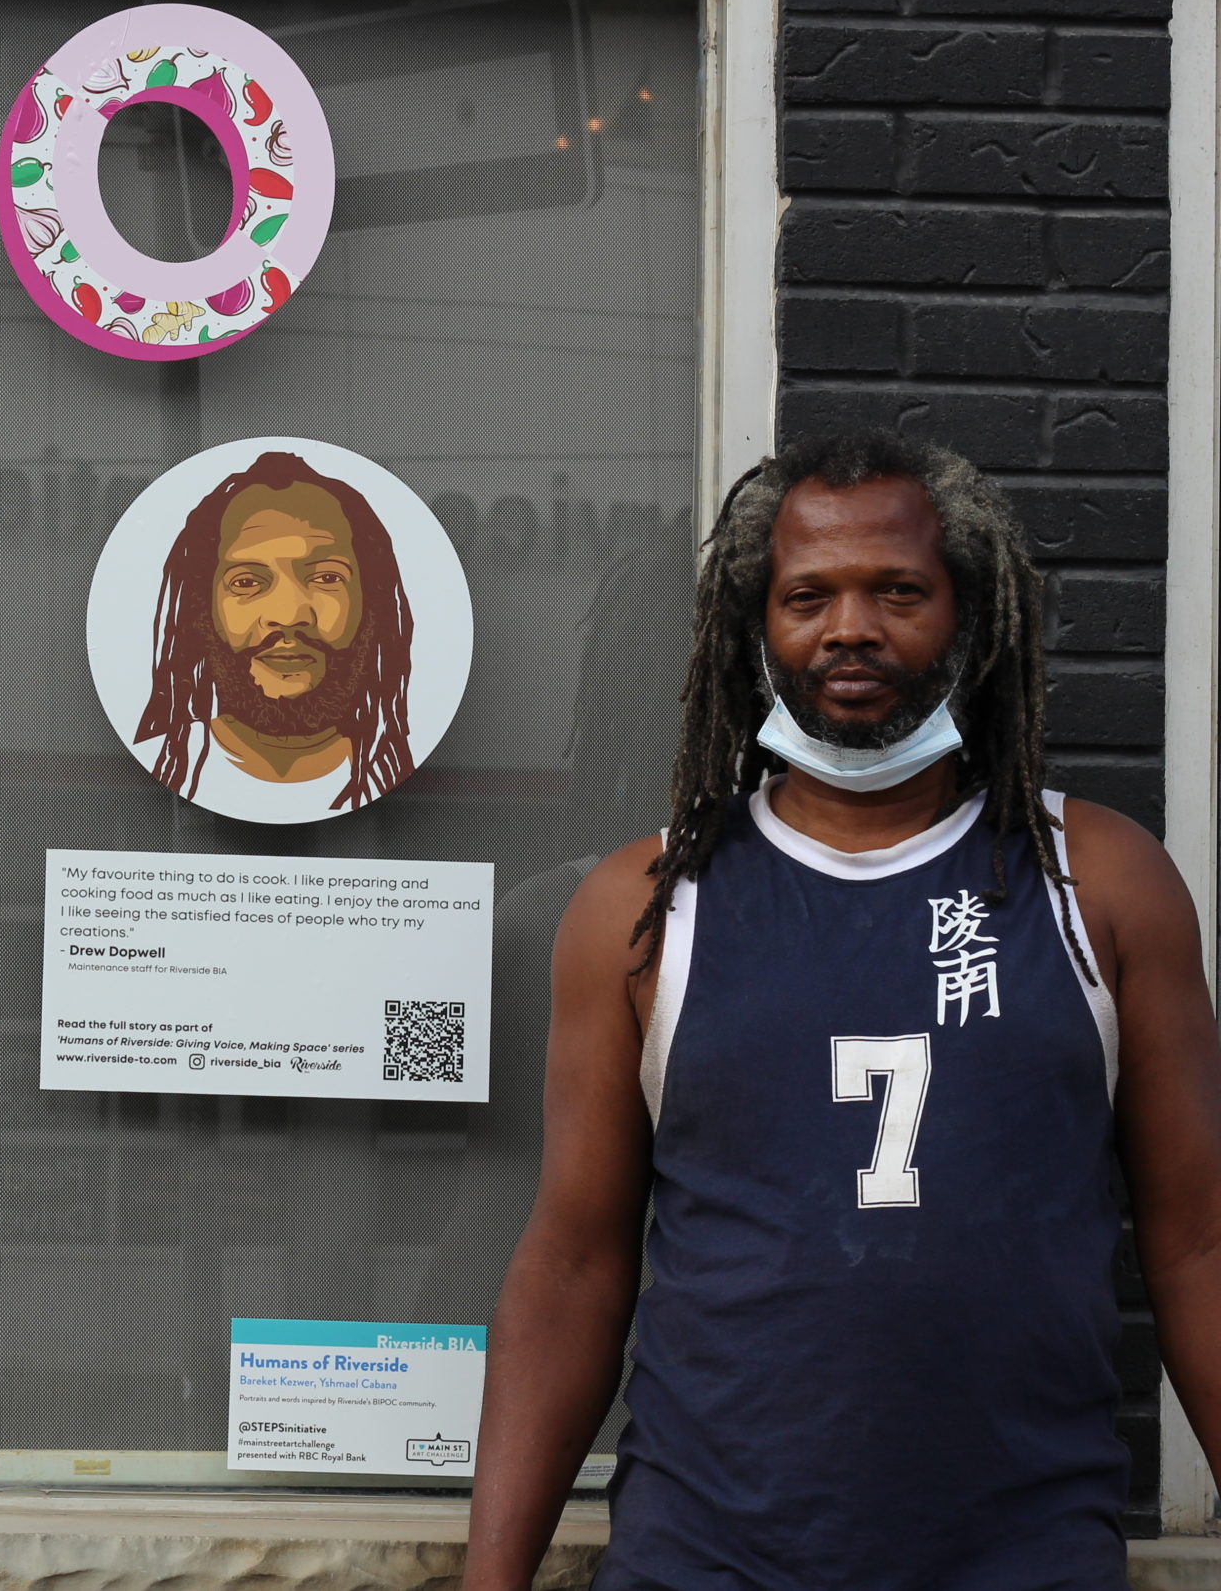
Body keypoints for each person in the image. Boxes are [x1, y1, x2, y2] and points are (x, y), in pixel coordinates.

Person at [464, 430, 1221, 1589]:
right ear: (750, 626)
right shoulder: (647, 907)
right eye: (806, 595)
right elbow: (571, 1267)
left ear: (969, 616)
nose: (850, 628)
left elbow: (1197, 1244)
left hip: (1022, 1559)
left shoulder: (1101, 883)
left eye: (898, 591)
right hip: (706, 1560)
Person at [136, 449, 415, 813]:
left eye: (327, 577)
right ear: (203, 609)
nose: (288, 614)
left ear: (370, 604)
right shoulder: (153, 771)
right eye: (247, 581)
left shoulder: (408, 789)